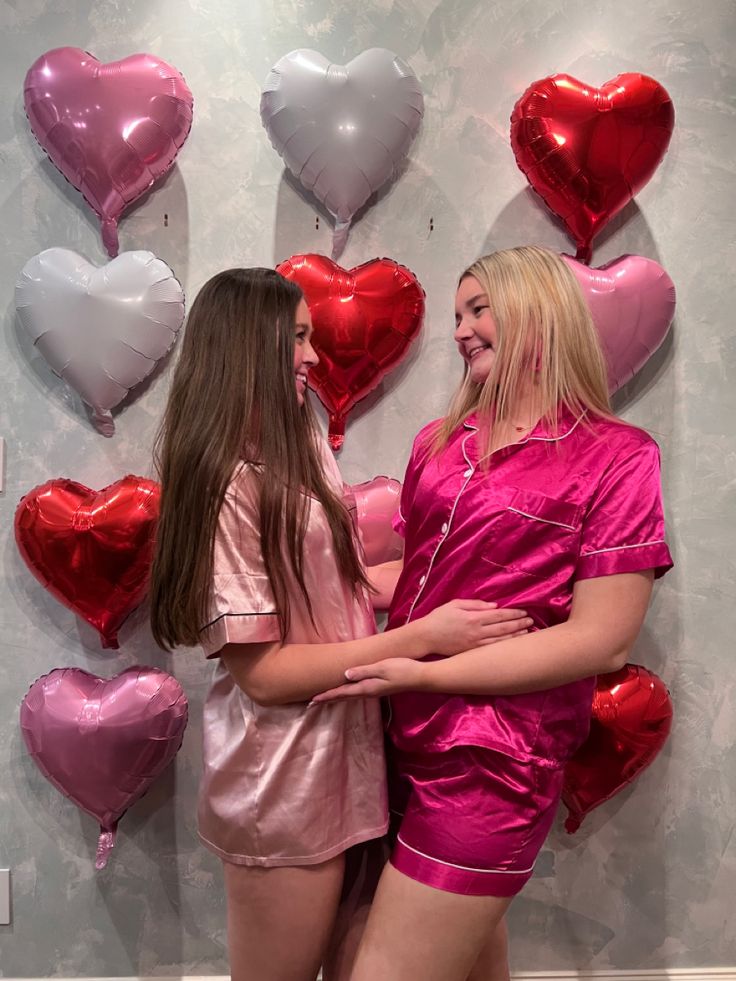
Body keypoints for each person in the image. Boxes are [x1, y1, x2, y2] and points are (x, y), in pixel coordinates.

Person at [148, 267, 529, 981]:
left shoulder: (304, 442)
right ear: (249, 346)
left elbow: (349, 587)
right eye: (297, 338)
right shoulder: (228, 483)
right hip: (283, 782)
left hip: (356, 768)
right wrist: (419, 639)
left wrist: (463, 572)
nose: (313, 357)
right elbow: (263, 674)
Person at [312, 246, 674, 981]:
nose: (460, 330)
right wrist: (293, 582)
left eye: (479, 310)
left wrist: (426, 669)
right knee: (471, 961)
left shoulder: (618, 456)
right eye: (455, 315)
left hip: (496, 755)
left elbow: (603, 639)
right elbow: (412, 579)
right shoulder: (439, 444)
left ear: (538, 314)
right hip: (395, 739)